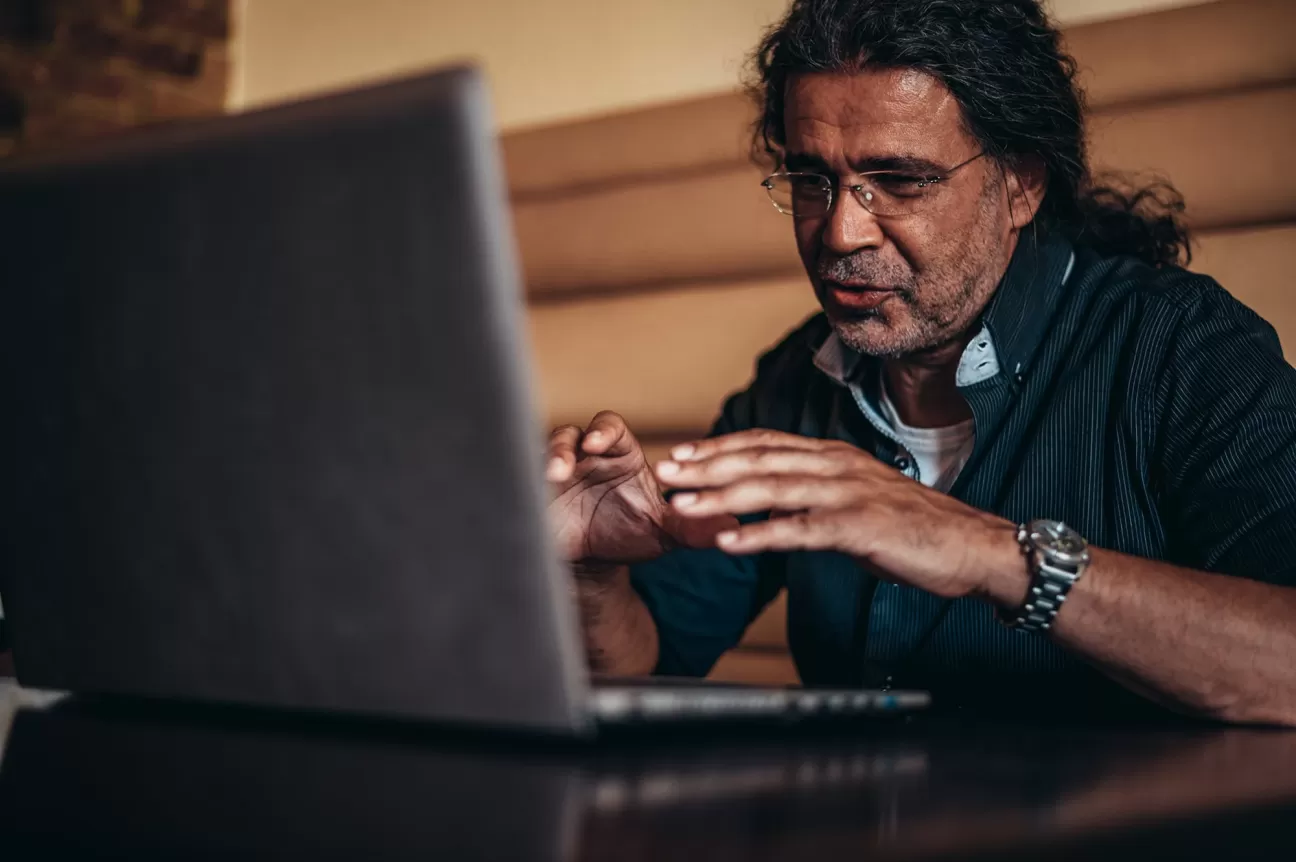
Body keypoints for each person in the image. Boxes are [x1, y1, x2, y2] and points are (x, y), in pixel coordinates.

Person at [544, 0, 1296, 724]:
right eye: (813, 180)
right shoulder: (792, 382)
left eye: (900, 180)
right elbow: (647, 660)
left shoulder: (1180, 345)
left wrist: (982, 550)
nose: (840, 232)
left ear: (1021, 183)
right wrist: (590, 571)